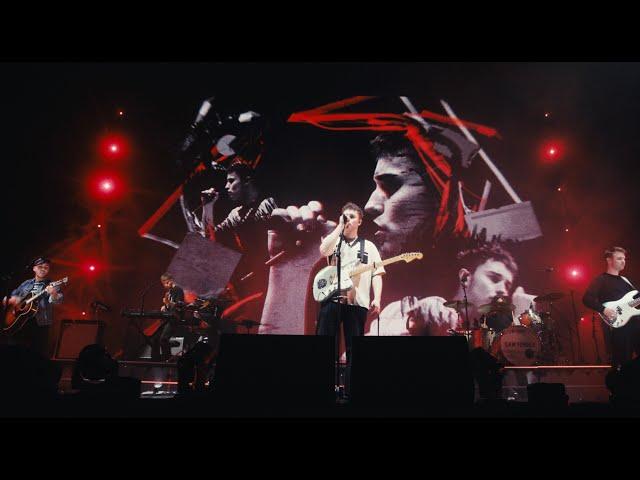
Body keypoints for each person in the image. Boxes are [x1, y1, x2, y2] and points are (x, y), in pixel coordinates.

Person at [369, 242, 523, 336]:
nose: (503, 290)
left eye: (507, 285)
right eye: (494, 278)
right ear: (466, 278)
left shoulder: (491, 337)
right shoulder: (421, 309)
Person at [316, 202, 385, 396]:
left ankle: (352, 392)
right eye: (345, 216)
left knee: (355, 348)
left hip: (357, 304)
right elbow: (323, 251)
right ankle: (322, 389)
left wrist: (377, 298)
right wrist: (339, 226)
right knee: (325, 344)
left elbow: (377, 274)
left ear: (360, 221)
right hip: (332, 301)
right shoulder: (335, 242)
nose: (348, 220)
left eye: (352, 217)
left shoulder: (368, 246)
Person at [583, 246, 640, 367]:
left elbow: (635, 299)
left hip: (636, 324)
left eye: (624, 259)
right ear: (609, 260)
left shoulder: (625, 280)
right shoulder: (601, 279)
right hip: (620, 327)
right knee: (623, 363)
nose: (623, 261)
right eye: (619, 258)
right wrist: (603, 309)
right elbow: (586, 299)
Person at [2, 257, 63, 358]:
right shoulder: (26, 283)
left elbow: (58, 301)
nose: (43, 269)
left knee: (37, 354)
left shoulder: (52, 285)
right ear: (34, 268)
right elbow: (9, 298)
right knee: (17, 353)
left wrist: (54, 293)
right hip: (20, 322)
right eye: (40, 267)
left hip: (40, 324)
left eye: (46, 267)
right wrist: (13, 300)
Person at [152, 272, 185, 361]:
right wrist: (165, 307)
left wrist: (167, 303)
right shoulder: (169, 292)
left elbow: (179, 305)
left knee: (163, 339)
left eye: (166, 283)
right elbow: (169, 306)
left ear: (170, 281)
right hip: (168, 317)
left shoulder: (178, 290)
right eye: (163, 284)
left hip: (175, 318)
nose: (165, 286)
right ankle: (159, 359)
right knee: (156, 338)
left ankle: (167, 359)